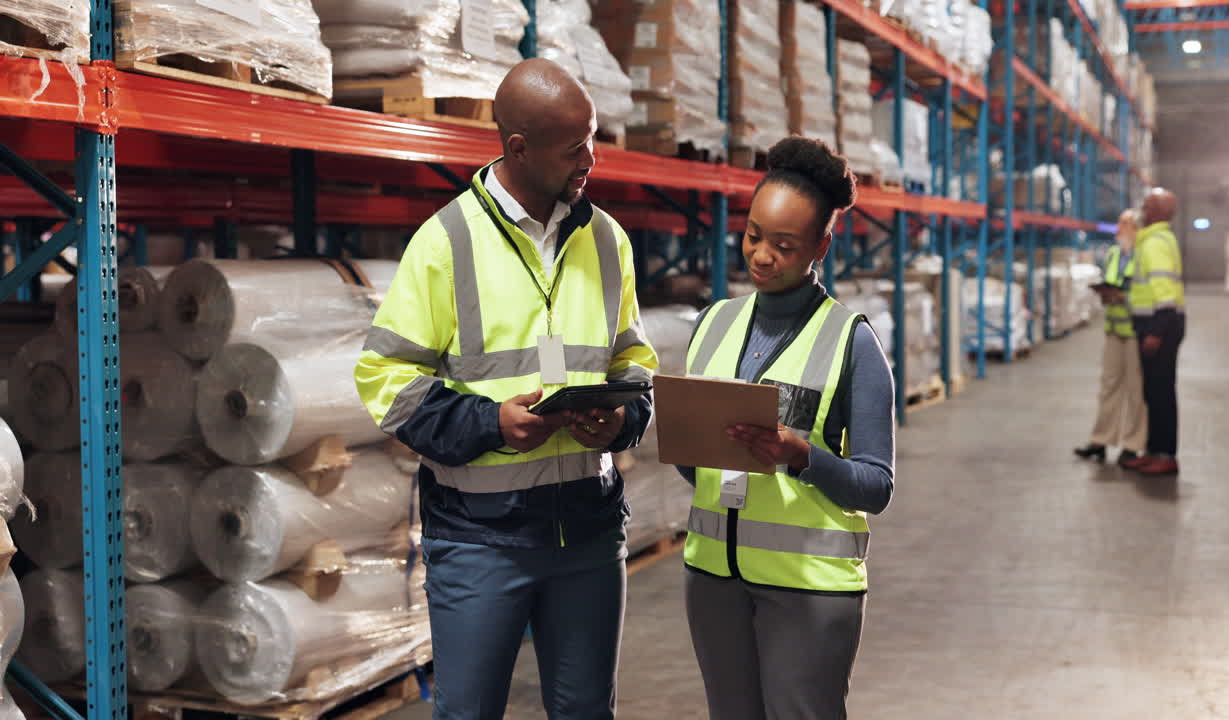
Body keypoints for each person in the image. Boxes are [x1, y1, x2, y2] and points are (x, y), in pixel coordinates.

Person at [354, 58, 658, 720]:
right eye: (574, 146)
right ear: (517, 148)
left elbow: (635, 363)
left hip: (587, 531)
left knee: (587, 712)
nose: (591, 158)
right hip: (479, 540)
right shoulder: (445, 243)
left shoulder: (605, 240)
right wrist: (491, 424)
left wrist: (623, 417)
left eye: (592, 137)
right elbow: (386, 381)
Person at [675, 137, 895, 720]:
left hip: (810, 587)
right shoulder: (713, 324)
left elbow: (876, 485)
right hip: (714, 577)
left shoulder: (852, 342)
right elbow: (694, 465)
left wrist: (801, 457)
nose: (762, 256)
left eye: (783, 244)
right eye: (753, 235)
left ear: (821, 245)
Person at [1120, 188, 1186, 476]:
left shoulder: (1155, 243)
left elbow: (1165, 293)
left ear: (1158, 212)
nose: (1142, 212)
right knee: (1153, 392)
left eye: (1147, 207)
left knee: (1161, 393)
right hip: (1155, 324)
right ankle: (1153, 449)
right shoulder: (1152, 240)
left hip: (1161, 325)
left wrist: (1156, 331)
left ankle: (1165, 455)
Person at [1075, 209, 1147, 464]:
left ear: (1136, 228)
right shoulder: (1115, 254)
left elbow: (1145, 291)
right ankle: (1101, 440)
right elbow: (1112, 280)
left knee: (1136, 390)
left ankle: (1132, 444)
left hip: (1136, 331)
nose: (1118, 229)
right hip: (1114, 330)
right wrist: (1106, 294)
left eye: (1124, 224)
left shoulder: (1144, 255)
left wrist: (1123, 296)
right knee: (1108, 386)